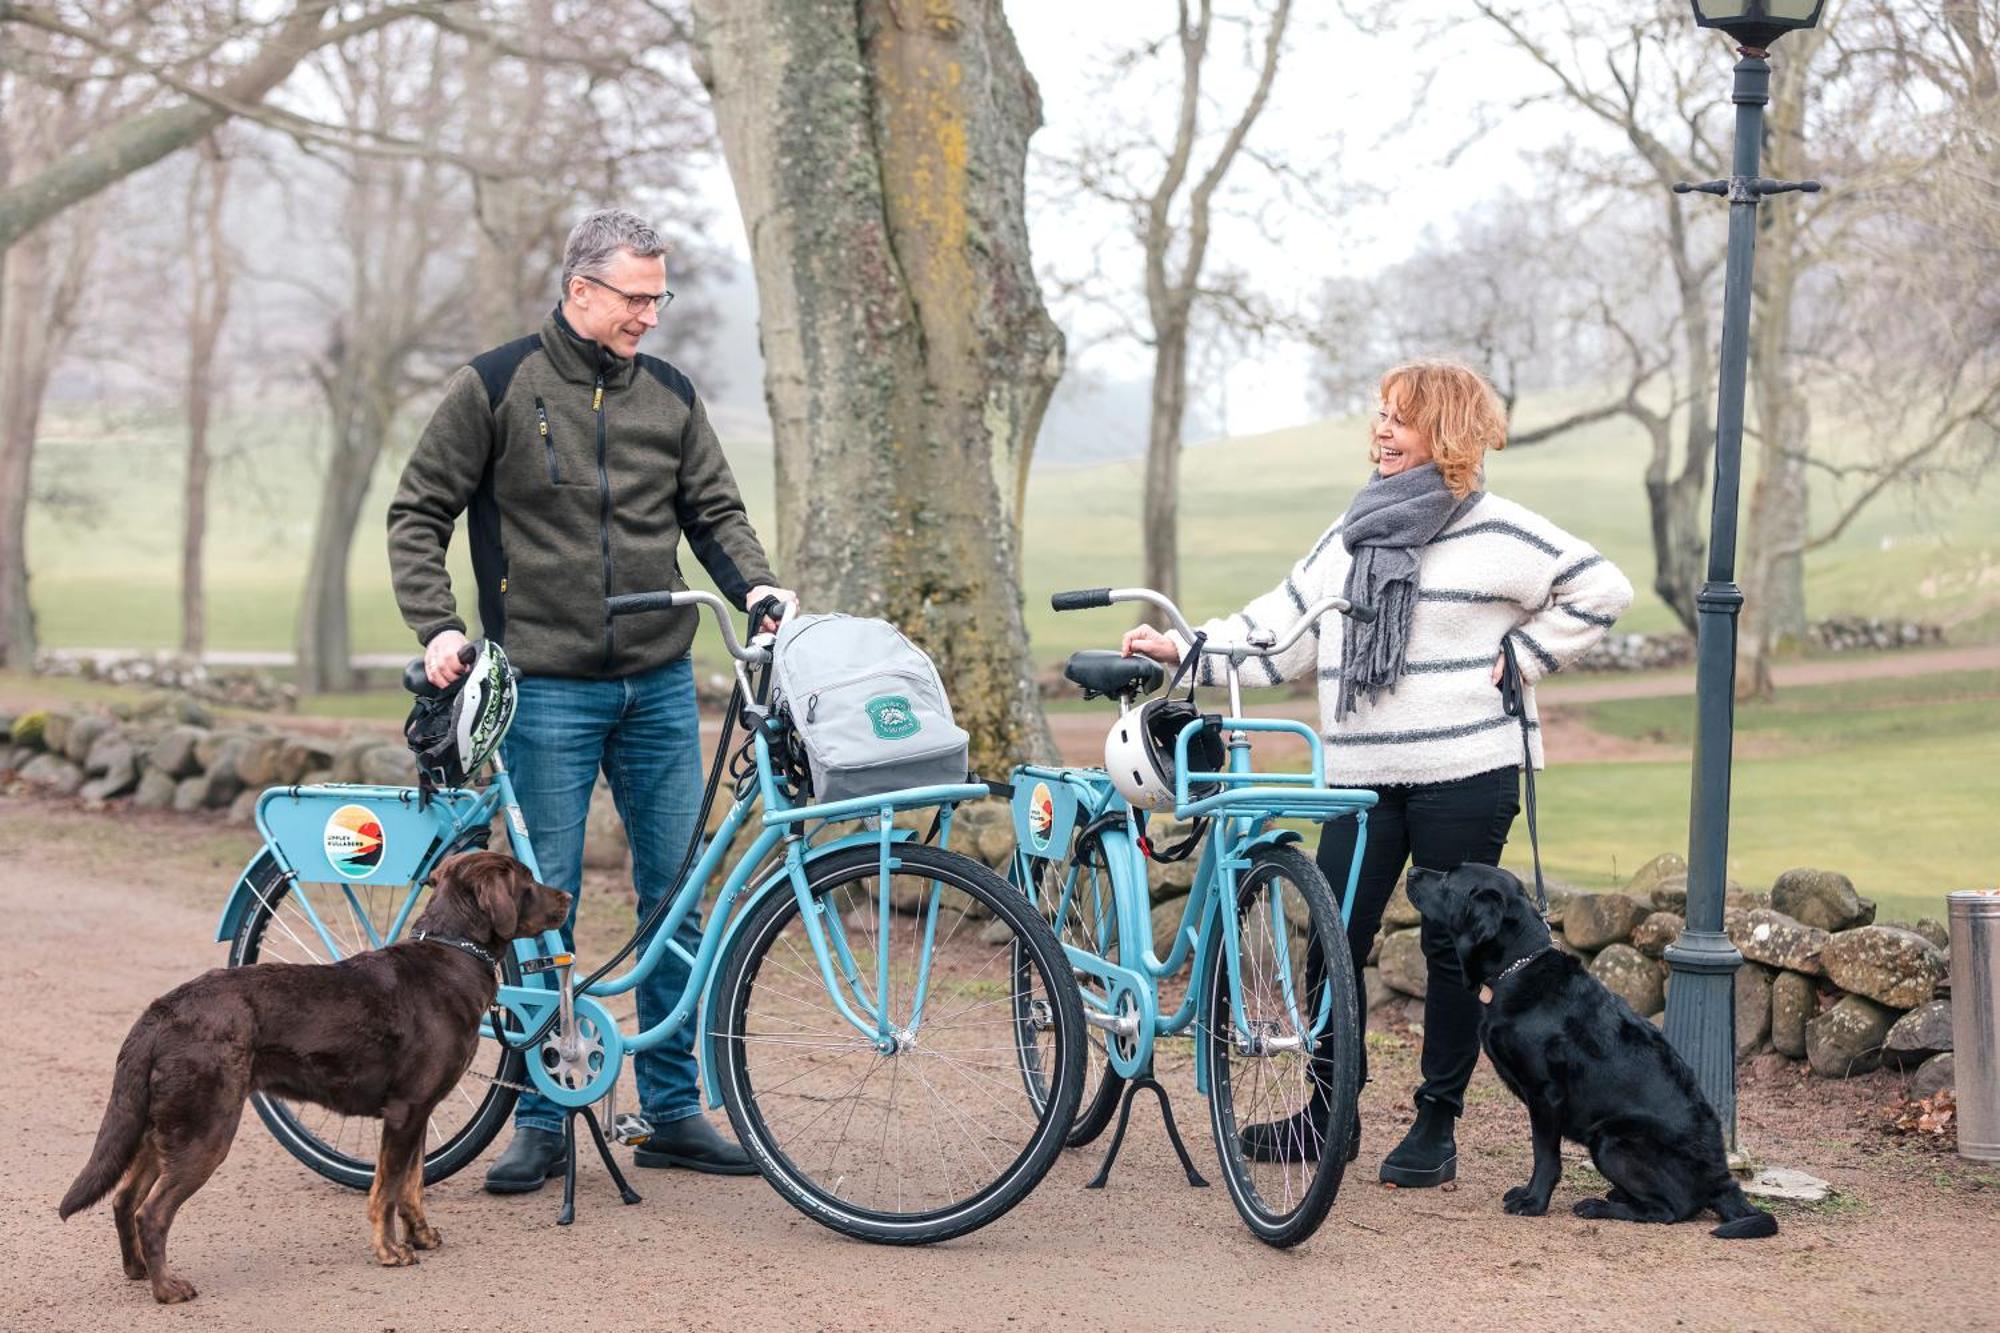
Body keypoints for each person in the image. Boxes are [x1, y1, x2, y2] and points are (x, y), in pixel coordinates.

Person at [1120, 358, 1633, 1187]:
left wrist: (1527, 654)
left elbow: (1602, 588)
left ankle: (1436, 1125)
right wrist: (1185, 646)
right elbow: (1281, 629)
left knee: (1448, 949)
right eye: (1380, 417)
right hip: (1361, 775)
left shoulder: (1498, 529)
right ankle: (1329, 1112)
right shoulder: (1353, 532)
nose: (1381, 431)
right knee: (1333, 934)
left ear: (1448, 430)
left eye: (1400, 417)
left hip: (1466, 767)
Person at [387, 208, 795, 1193]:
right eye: (635, 298)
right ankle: (541, 1116)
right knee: (537, 911)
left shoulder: (669, 396)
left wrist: (758, 590)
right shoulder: (493, 387)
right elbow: (417, 511)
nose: (650, 316)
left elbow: (714, 512)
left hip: (657, 685)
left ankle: (670, 1109)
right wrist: (439, 626)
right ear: (580, 293)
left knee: (676, 900)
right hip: (545, 690)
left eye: (659, 297)